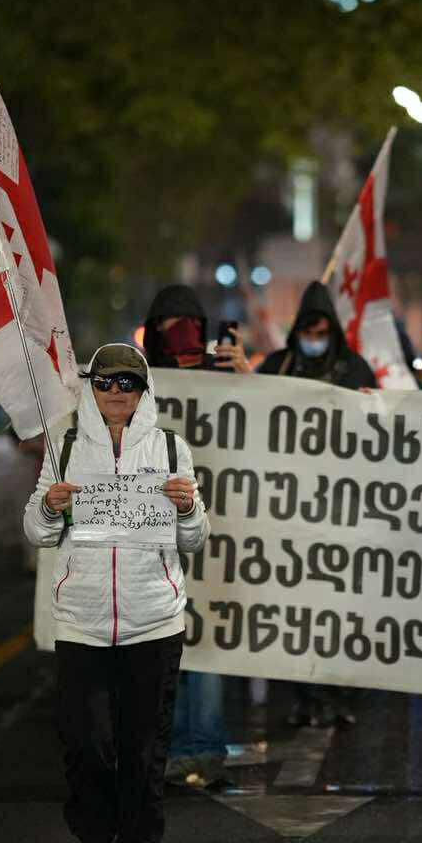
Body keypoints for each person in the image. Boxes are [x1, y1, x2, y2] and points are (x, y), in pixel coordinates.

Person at [24, 343, 209, 843]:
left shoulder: (172, 447)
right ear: (91, 387)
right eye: (106, 382)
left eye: (129, 383)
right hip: (81, 622)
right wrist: (51, 507)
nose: (117, 393)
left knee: (143, 749)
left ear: (144, 389)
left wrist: (187, 509)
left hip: (153, 621)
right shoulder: (66, 446)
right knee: (85, 744)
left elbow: (194, 539)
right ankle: (95, 841)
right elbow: (37, 531)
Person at [142, 285, 246, 789]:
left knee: (203, 644)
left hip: (211, 538)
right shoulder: (134, 379)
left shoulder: (221, 377)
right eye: (170, 322)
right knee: (159, 650)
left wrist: (243, 374)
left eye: (189, 321)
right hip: (150, 537)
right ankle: (163, 748)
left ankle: (202, 747)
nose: (180, 331)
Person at [257, 282, 375, 726]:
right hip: (288, 509)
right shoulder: (278, 366)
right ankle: (303, 695)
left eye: (322, 330)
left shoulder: (354, 369)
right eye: (309, 330)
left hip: (342, 508)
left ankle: (333, 690)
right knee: (293, 607)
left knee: (335, 605)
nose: (315, 337)